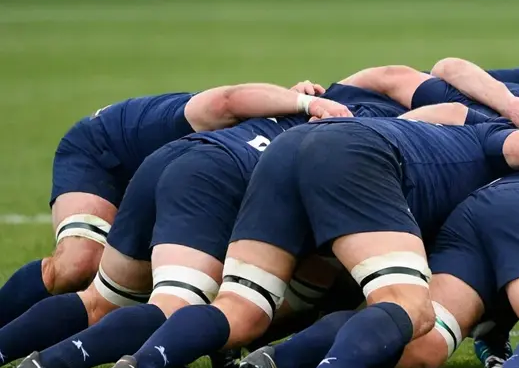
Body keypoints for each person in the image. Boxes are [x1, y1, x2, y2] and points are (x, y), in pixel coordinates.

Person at [100, 115, 519, 368]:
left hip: (290, 150)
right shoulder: (493, 138)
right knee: (407, 303)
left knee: (243, 306)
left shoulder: (432, 131)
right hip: (352, 155)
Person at [0, 83, 348, 347]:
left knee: (177, 274)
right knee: (78, 263)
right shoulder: (224, 111)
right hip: (102, 155)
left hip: (162, 178)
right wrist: (306, 101)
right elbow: (227, 99)